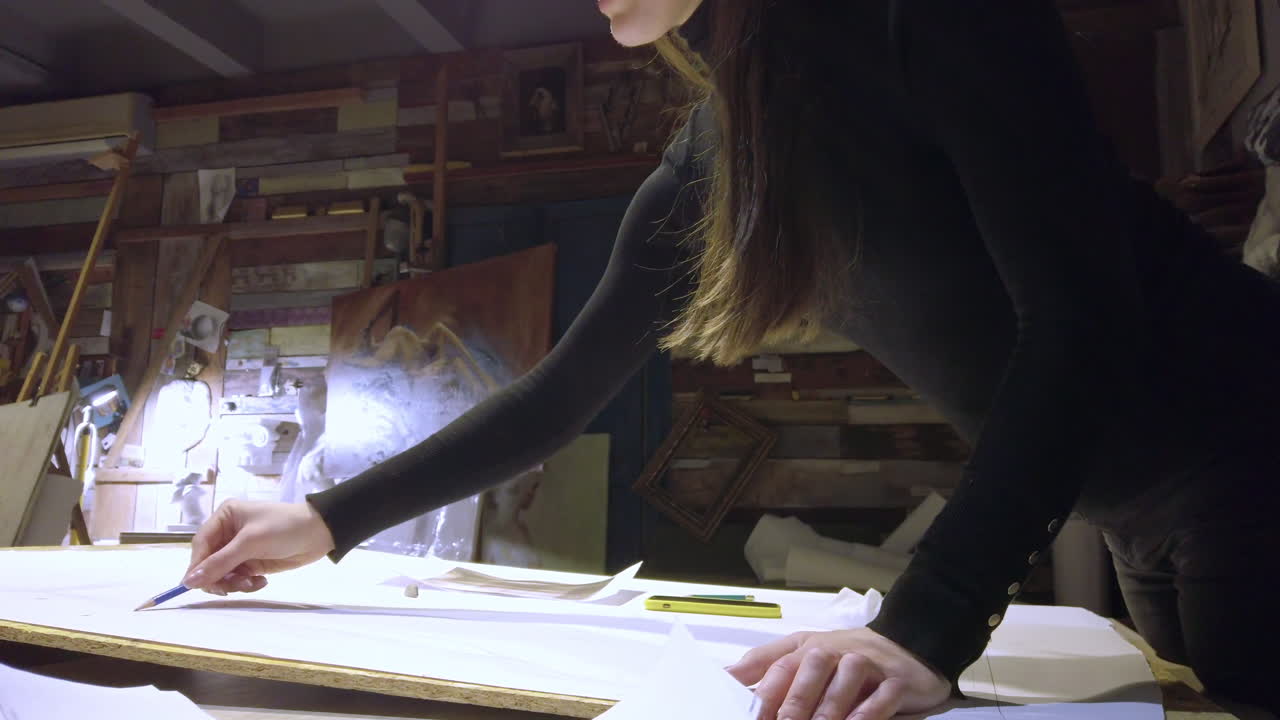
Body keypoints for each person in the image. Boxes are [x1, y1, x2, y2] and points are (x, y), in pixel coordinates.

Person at [183, 1, 1280, 718]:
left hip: (1248, 436)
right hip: (1135, 504)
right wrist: (325, 522)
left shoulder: (927, 15)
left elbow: (1078, 316)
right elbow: (557, 397)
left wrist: (927, 624)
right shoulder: (723, 145)